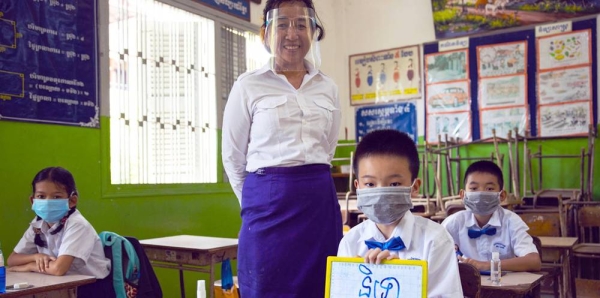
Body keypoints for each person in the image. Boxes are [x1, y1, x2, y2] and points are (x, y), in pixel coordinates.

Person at [221, 0, 342, 297]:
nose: (292, 33)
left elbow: (327, 148)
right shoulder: (248, 86)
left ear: (313, 31)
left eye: (301, 24)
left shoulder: (328, 87)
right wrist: (257, 203)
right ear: (265, 33)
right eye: (282, 24)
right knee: (266, 287)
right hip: (266, 210)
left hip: (319, 205)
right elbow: (233, 157)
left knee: (321, 285)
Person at [338, 129, 463, 298]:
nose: (381, 192)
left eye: (394, 183)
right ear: (357, 186)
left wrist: (402, 280)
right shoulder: (350, 242)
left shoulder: (435, 241)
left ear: (415, 187)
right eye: (370, 184)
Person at [7, 167, 113, 297]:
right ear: (32, 201)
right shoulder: (39, 223)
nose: (47, 202)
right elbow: (12, 260)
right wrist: (36, 257)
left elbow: (58, 269)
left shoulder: (77, 225)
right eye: (41, 196)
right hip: (61, 283)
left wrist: (29, 266)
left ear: (72, 200)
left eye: (56, 197)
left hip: (91, 288)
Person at [442, 160, 541, 272]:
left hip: (504, 286)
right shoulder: (454, 223)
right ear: (463, 195)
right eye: (474, 188)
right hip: (465, 287)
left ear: (502, 195)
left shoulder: (511, 221)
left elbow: (534, 261)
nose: (481, 194)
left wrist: (487, 265)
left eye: (489, 189)